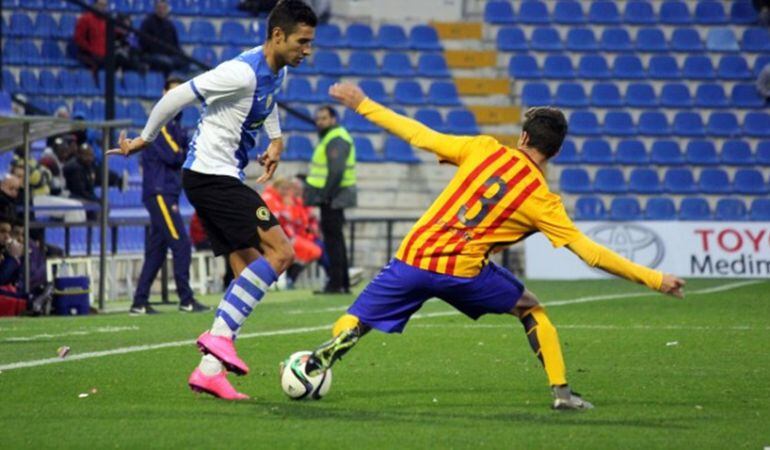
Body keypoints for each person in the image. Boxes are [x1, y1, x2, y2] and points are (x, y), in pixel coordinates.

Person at [301, 83, 686, 411]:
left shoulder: (484, 149)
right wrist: (654, 278)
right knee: (530, 307)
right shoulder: (542, 201)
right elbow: (591, 254)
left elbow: (419, 135)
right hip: (464, 271)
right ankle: (562, 393)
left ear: (523, 138)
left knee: (360, 317)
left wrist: (363, 104)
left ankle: (338, 345)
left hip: (415, 255)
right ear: (554, 152)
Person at [108, 0, 317, 400]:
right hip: (210, 175)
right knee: (282, 253)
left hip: (220, 176)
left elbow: (268, 101)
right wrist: (145, 139)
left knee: (249, 271)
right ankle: (217, 338)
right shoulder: (239, 73)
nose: (306, 50)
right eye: (302, 42)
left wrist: (275, 139)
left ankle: (209, 370)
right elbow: (176, 97)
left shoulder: (279, 70)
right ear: (278, 35)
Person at [130, 77, 209, 315]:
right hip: (159, 192)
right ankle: (186, 299)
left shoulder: (175, 125)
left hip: (167, 192)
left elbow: (187, 150)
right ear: (164, 93)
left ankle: (139, 302)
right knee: (181, 244)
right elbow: (177, 156)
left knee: (156, 250)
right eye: (173, 92)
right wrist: (185, 149)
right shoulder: (161, 122)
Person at [303, 105, 356, 294]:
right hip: (334, 196)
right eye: (318, 119)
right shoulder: (331, 137)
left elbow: (336, 171)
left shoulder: (336, 139)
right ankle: (342, 283)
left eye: (324, 118)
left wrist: (324, 195)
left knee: (334, 242)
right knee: (336, 240)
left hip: (333, 197)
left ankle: (336, 284)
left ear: (333, 119)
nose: (320, 122)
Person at [139, 0, 188, 75]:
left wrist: (182, 54)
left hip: (170, 56)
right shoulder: (147, 23)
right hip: (152, 55)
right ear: (155, 8)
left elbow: (175, 44)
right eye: (159, 8)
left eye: (164, 8)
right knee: (166, 62)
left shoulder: (170, 25)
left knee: (186, 60)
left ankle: (181, 82)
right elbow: (143, 44)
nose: (161, 10)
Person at [74, 0, 108, 74]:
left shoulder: (106, 20)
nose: (103, 8)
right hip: (88, 54)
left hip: (103, 54)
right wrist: (90, 49)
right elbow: (78, 38)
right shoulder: (85, 19)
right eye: (101, 5)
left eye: (105, 6)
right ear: (95, 5)